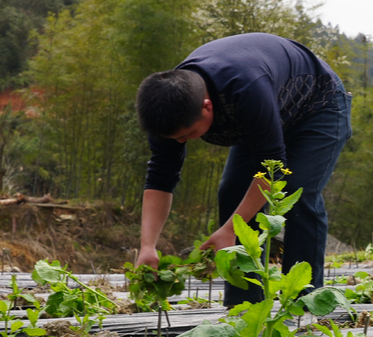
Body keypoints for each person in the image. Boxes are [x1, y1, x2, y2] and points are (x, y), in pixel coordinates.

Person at [134, 32, 352, 306]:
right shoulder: (166, 112)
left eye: (188, 134)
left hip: (320, 105)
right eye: (175, 139)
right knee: (233, 193)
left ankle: (303, 303)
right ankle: (243, 305)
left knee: (297, 193)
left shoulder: (246, 88)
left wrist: (231, 230)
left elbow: (273, 168)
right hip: (268, 115)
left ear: (207, 106)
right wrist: (147, 246)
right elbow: (160, 179)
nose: (180, 142)